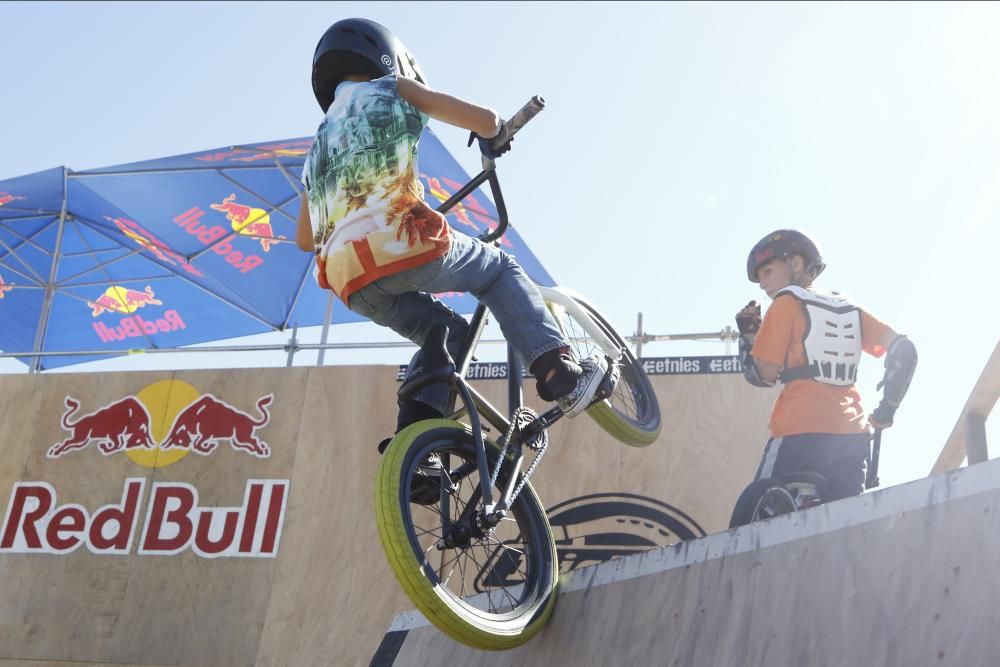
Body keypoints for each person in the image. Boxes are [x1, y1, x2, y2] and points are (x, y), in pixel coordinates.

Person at [295, 18, 609, 447]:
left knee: (446, 335)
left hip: (351, 283)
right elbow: (482, 118)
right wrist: (495, 132)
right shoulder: (393, 89)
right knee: (499, 270)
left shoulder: (315, 149)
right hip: (400, 240)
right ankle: (557, 370)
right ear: (387, 59)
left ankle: (417, 445)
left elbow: (302, 238)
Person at [734, 229, 917, 505]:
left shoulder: (786, 302)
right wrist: (887, 408)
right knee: (844, 526)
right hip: (852, 438)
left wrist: (749, 340)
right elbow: (905, 350)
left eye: (767, 271)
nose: (762, 284)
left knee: (754, 518)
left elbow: (764, 374)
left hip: (798, 430)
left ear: (795, 264)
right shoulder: (850, 307)